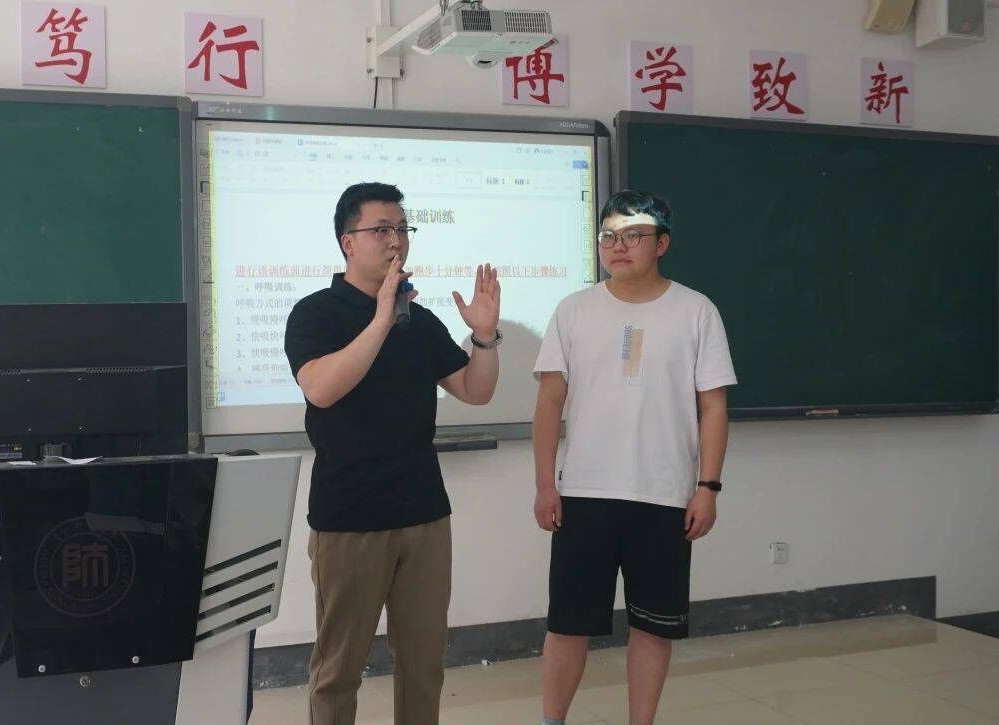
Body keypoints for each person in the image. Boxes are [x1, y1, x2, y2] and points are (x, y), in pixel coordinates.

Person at [283, 182, 501, 724]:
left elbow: (475, 390)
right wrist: (381, 318)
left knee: (424, 666)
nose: (396, 240)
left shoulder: (419, 320)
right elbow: (321, 389)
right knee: (338, 672)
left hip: (424, 516)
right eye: (381, 229)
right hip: (349, 519)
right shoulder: (315, 314)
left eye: (403, 229)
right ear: (347, 242)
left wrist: (485, 337)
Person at [531, 190, 736, 725]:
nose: (617, 246)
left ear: (661, 243)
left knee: (652, 627)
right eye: (608, 236)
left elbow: (713, 406)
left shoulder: (696, 311)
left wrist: (708, 487)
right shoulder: (573, 310)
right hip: (584, 494)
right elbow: (549, 403)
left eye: (633, 235)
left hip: (664, 494)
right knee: (567, 624)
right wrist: (545, 484)